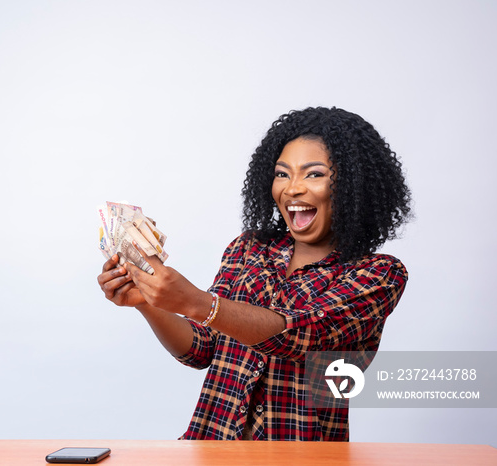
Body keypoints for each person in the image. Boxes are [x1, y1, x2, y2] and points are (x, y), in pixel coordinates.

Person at [97, 106, 412, 441]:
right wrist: (148, 301)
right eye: (282, 174)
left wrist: (196, 302)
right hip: (211, 452)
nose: (292, 189)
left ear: (353, 186)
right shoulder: (248, 249)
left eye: (314, 174)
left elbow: (297, 334)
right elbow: (204, 348)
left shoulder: (379, 275)